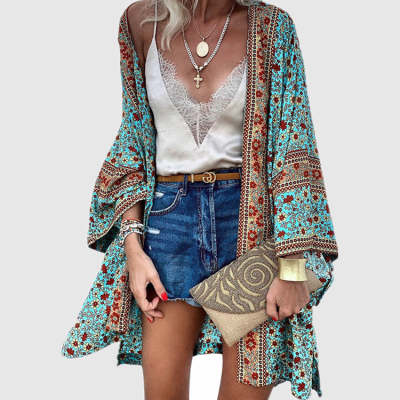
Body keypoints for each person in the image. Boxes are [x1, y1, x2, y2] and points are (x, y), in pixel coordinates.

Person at [62, 1, 339, 399]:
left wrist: (293, 269)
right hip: (168, 226)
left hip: (250, 229)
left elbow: (293, 144)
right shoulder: (141, 22)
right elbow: (134, 139)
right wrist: (133, 250)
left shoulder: (272, 27)